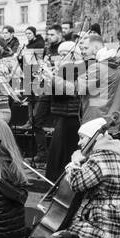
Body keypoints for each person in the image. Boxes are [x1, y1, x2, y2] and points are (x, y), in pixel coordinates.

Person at [64, 117, 120, 238]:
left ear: (93, 138)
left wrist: (74, 162)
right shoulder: (118, 157)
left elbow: (76, 183)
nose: (79, 143)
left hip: (106, 228)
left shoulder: (98, 159)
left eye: (82, 138)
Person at [44, 41, 85, 182]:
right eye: (60, 54)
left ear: (73, 55)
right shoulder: (63, 68)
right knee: (57, 152)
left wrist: (53, 78)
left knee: (63, 151)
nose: (60, 57)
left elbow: (72, 90)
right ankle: (55, 182)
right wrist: (47, 81)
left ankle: (61, 182)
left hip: (70, 115)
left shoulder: (77, 68)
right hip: (61, 113)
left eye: (63, 54)